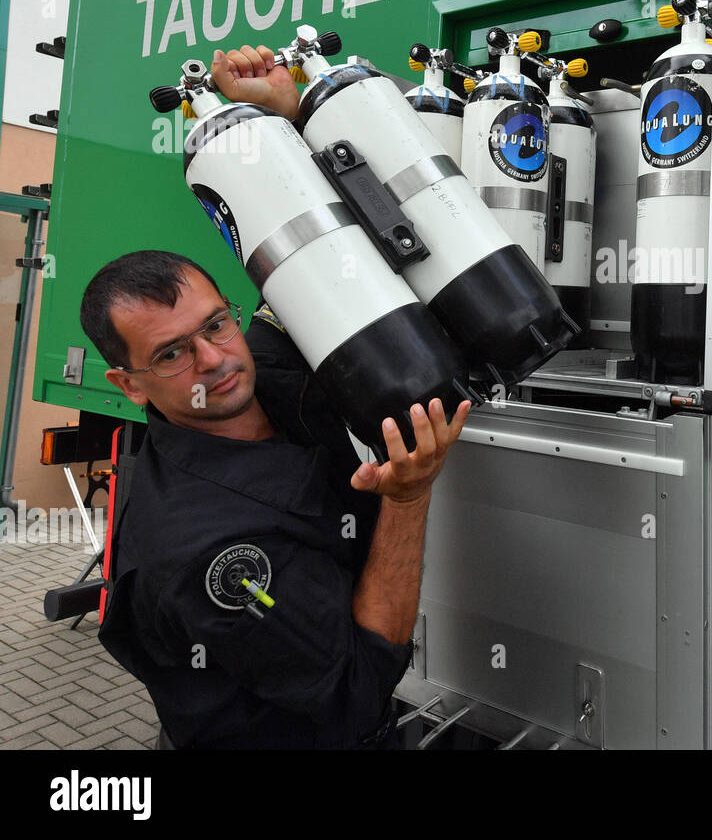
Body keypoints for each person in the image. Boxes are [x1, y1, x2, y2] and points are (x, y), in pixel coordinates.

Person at [83, 246, 470, 749]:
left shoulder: (251, 368)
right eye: (171, 354)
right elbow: (357, 691)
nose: (214, 359)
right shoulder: (211, 555)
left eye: (216, 324)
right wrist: (407, 501)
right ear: (129, 384)